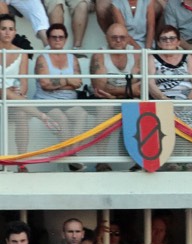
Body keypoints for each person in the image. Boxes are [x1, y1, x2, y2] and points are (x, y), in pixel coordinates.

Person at [0, 14, 58, 172]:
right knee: (2, 90)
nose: (7, 32)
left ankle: (22, 163)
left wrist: (18, 90)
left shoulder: (22, 53)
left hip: (13, 101)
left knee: (21, 114)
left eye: (10, 29)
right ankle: (42, 116)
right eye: (3, 28)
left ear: (15, 31)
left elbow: (24, 84)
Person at [34, 23, 88, 173]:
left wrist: (57, 83)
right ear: (48, 39)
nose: (57, 40)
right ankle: (72, 159)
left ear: (65, 39)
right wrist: (67, 81)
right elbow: (45, 84)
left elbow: (78, 83)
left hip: (69, 101)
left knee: (82, 114)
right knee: (61, 118)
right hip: (47, 101)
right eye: (54, 37)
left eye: (61, 37)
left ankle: (70, 155)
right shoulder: (42, 58)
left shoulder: (72, 58)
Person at [148, 25, 192, 171]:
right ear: (158, 43)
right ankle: (171, 161)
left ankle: (190, 161)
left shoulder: (187, 58)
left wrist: (188, 101)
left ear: (178, 41)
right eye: (164, 39)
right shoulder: (152, 58)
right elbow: (150, 83)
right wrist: (163, 99)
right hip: (163, 98)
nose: (168, 42)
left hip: (187, 98)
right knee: (163, 113)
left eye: (172, 38)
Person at [90, 23, 142, 172]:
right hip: (105, 99)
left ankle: (139, 160)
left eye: (122, 37)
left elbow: (140, 88)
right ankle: (102, 161)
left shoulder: (136, 54)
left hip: (126, 99)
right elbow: (100, 87)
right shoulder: (99, 55)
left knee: (140, 109)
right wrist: (129, 90)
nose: (118, 40)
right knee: (104, 110)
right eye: (114, 37)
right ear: (106, 38)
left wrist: (114, 92)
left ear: (128, 38)